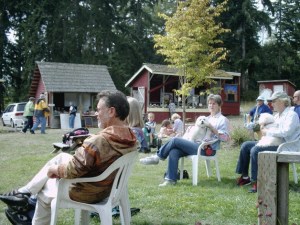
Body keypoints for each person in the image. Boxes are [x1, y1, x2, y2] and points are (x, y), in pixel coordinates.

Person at [0, 90, 138, 225]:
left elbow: (73, 170)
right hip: (107, 189)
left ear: (111, 111)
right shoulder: (131, 138)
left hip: (87, 192)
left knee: (44, 190)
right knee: (62, 156)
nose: (96, 114)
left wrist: (53, 170)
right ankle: (24, 193)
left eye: (99, 110)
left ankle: (27, 201)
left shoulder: (99, 140)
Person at [140, 94, 230, 187]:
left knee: (175, 140)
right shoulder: (206, 118)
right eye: (209, 103)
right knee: (174, 151)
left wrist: (211, 127)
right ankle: (170, 180)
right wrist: (191, 129)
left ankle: (157, 157)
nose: (211, 106)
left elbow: (226, 138)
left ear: (219, 105)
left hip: (207, 149)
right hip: (195, 144)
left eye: (214, 104)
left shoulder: (222, 120)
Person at [236, 91, 300, 193]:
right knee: (245, 145)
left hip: (286, 145)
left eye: (273, 101)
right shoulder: (276, 116)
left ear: (282, 101)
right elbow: (266, 128)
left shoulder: (292, 115)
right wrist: (257, 126)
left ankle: (257, 182)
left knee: (256, 150)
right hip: (274, 142)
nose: (271, 104)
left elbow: (286, 132)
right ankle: (244, 177)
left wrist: (267, 131)